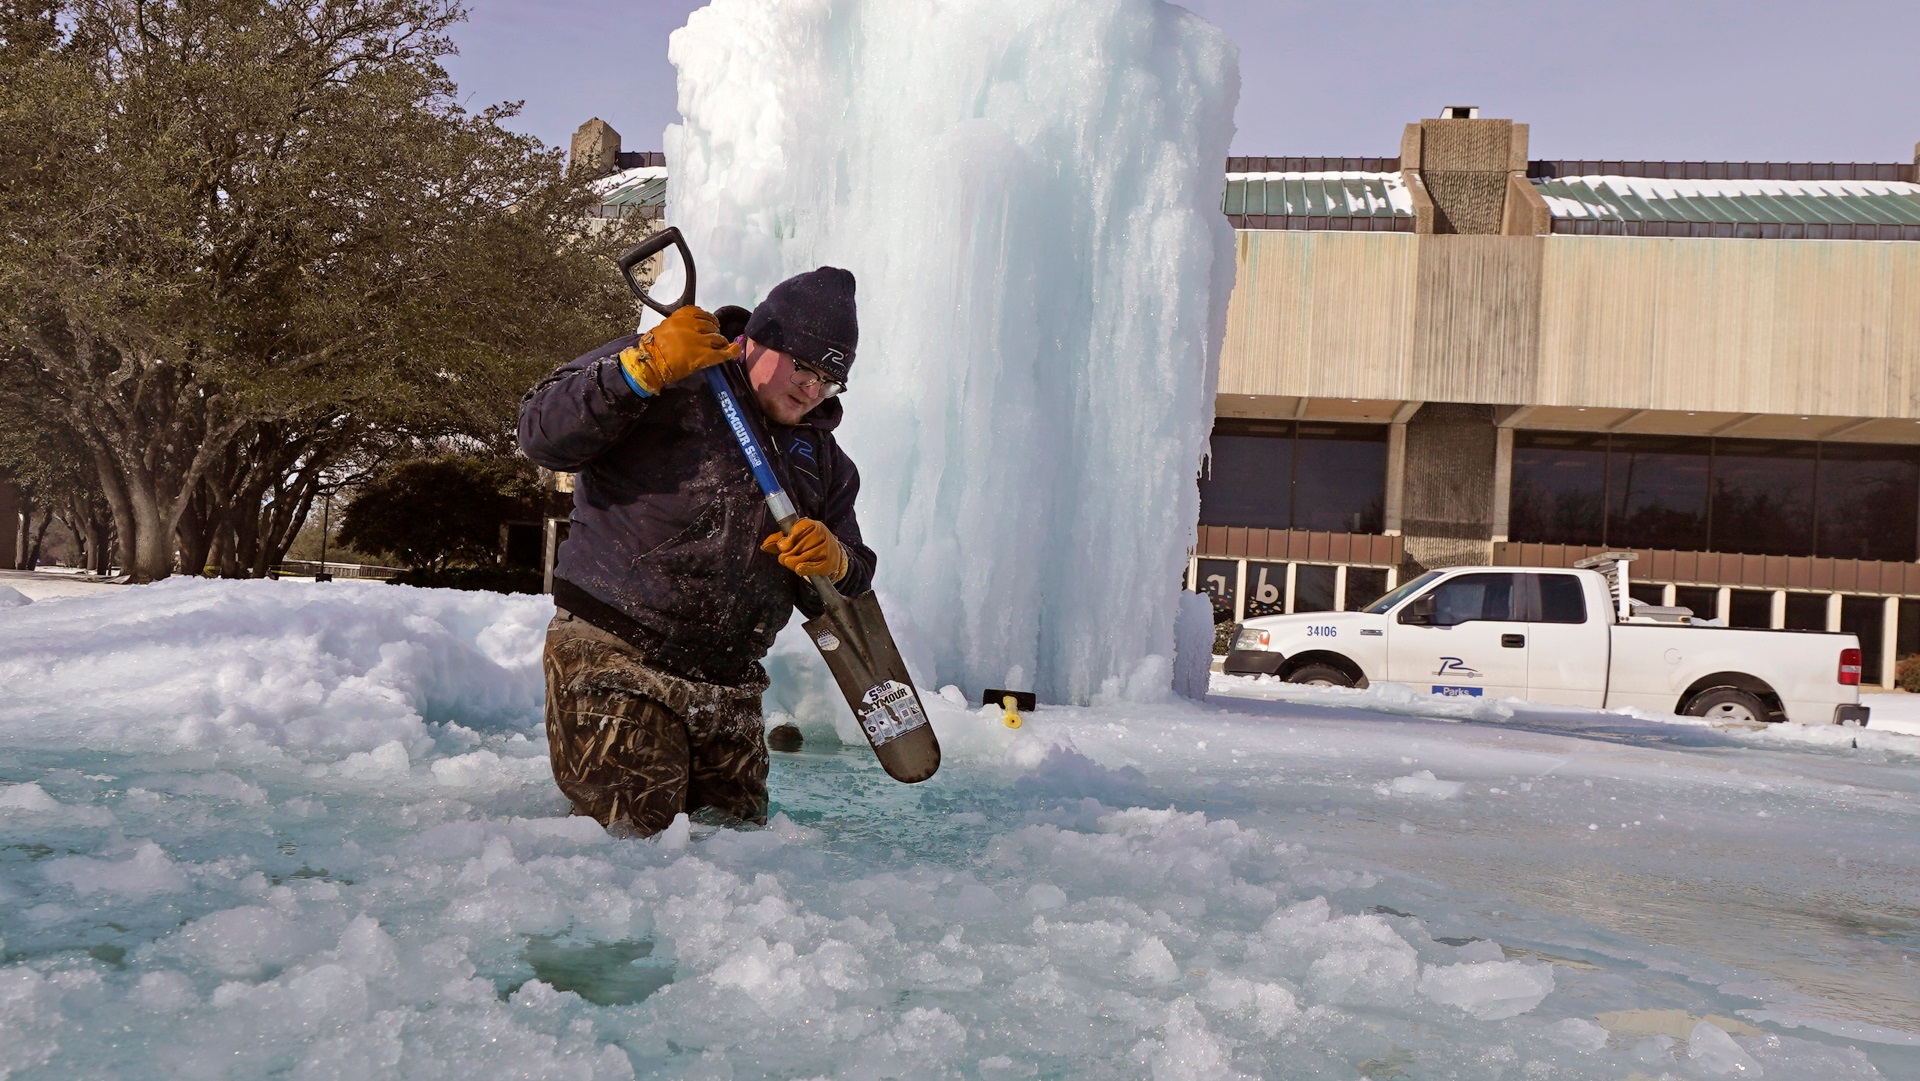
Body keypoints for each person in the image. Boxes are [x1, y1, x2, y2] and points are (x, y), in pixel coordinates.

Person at [517, 267, 875, 835]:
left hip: (730, 685)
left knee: (734, 863)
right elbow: (540, 434)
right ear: (754, 339)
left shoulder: (825, 462)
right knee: (632, 850)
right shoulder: (670, 367)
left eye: (830, 380)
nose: (812, 389)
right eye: (803, 365)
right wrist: (639, 372)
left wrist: (835, 561)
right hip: (618, 657)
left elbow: (852, 581)